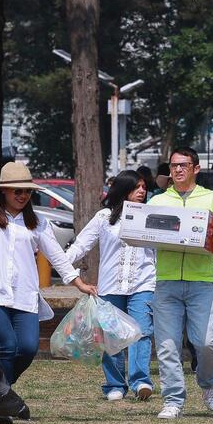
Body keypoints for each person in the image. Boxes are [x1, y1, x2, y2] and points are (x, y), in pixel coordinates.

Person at [0, 162, 97, 384]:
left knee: (26, 347)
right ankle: (1, 398)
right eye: (17, 190)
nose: (23, 195)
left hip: (24, 294)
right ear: (3, 191)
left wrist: (78, 283)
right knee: (7, 345)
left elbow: (57, 256)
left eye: (27, 191)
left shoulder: (38, 222)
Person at [149, 147, 213, 419]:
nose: (177, 170)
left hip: (201, 282)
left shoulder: (212, 200)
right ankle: (173, 400)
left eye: (183, 165)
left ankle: (208, 385)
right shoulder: (157, 202)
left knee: (207, 342)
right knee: (166, 345)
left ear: (195, 168)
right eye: (174, 165)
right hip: (166, 281)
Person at [65, 170, 156, 402]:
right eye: (137, 187)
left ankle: (141, 381)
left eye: (144, 187)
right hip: (110, 286)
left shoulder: (151, 215)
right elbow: (81, 245)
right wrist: (64, 263)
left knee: (142, 332)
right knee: (110, 336)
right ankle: (115, 384)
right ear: (123, 189)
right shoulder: (104, 217)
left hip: (143, 283)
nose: (142, 191)